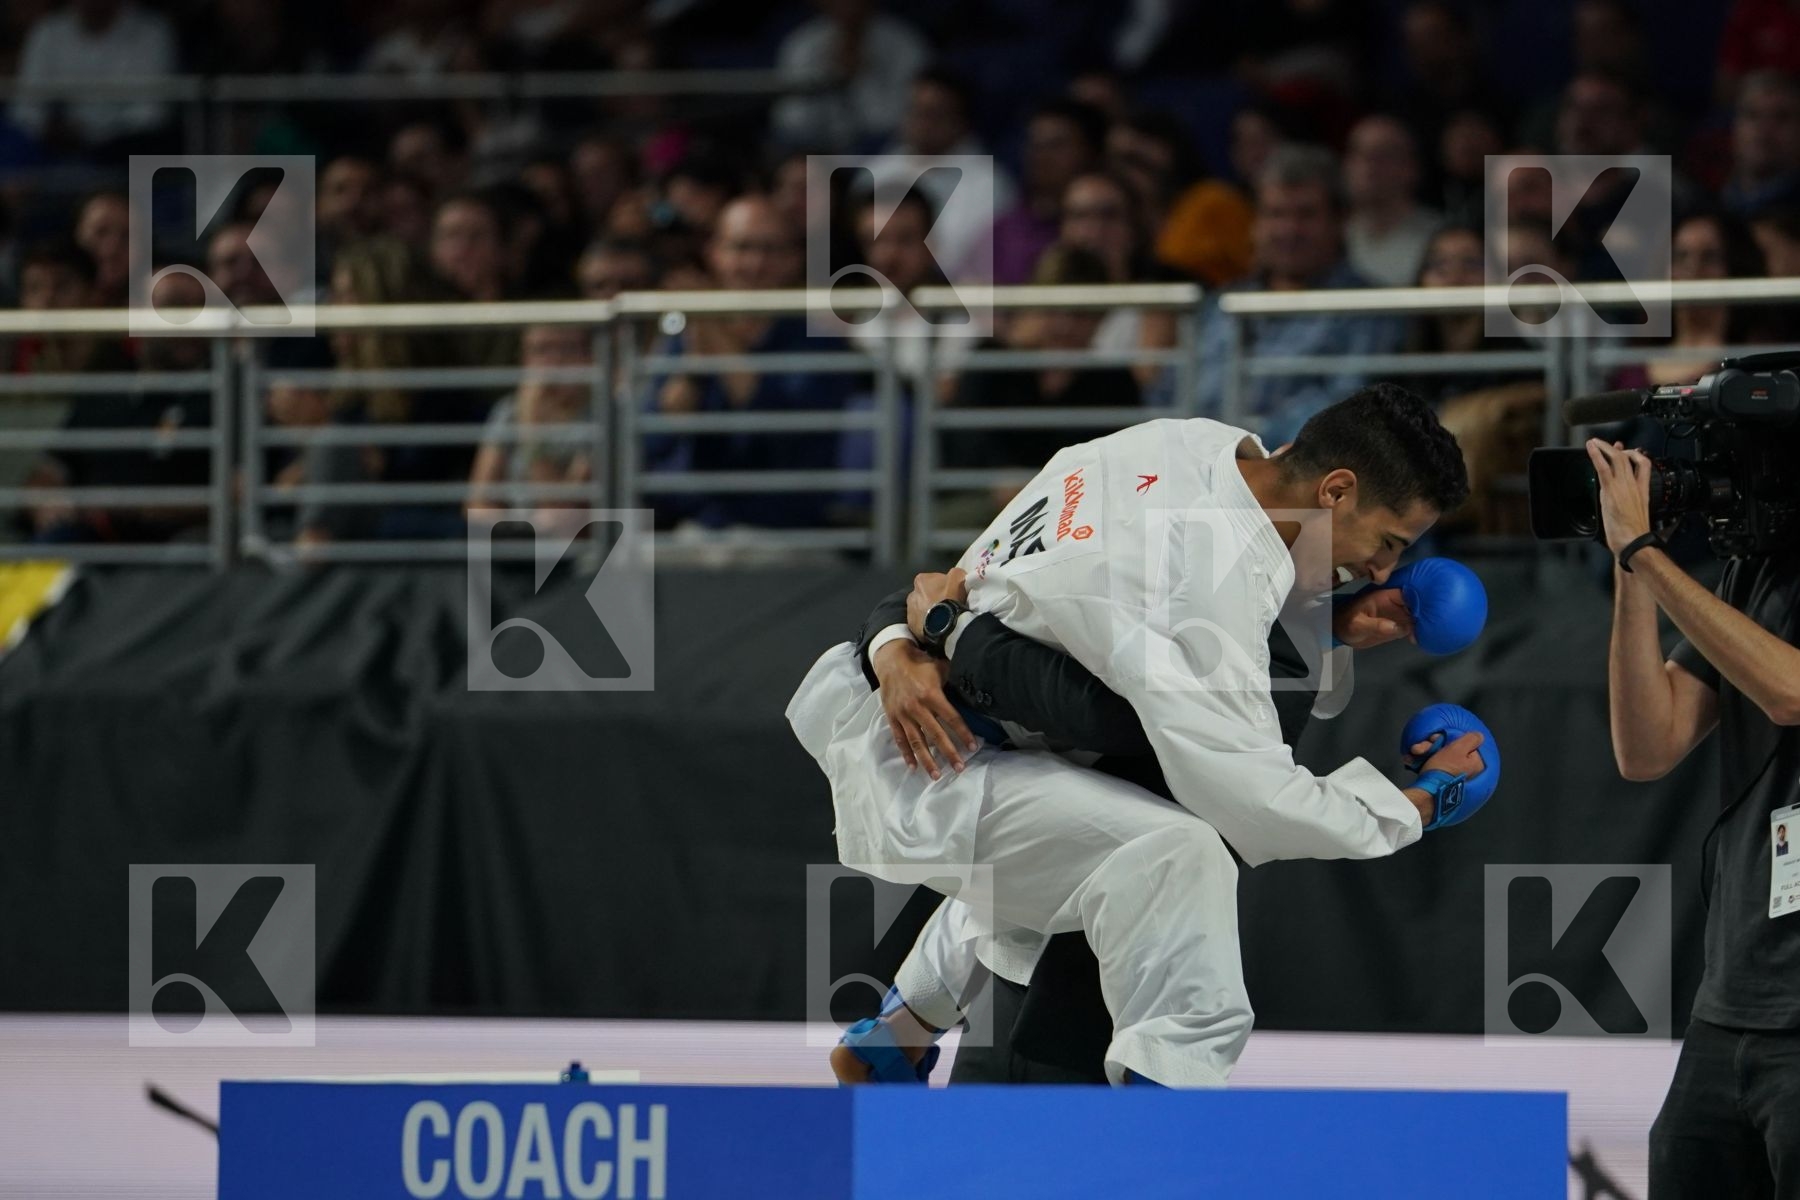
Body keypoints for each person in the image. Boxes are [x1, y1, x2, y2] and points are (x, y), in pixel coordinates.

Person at [788, 384, 1492, 1087]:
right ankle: (1167, 1106)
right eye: (1390, 543)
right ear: (1337, 490)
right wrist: (1418, 804)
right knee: (1181, 855)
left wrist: (1325, 622)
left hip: (926, 708)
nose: (1383, 571)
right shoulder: (1203, 586)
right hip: (934, 754)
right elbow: (1252, 797)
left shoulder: (1188, 442)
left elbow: (965, 584)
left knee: (1097, 833)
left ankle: (894, 1036)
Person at [1586, 436, 1800, 1197]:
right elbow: (1649, 743)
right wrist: (1628, 567)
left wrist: (1645, 550)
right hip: (1734, 1001)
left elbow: (1790, 692)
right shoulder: (1760, 572)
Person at [1196, 145, 1406, 444]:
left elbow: (1342, 411)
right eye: (1275, 214)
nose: (1289, 230)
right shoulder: (1220, 305)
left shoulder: (1369, 308)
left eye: (1306, 215)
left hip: (1293, 477)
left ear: (1340, 220)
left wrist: (1243, 456)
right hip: (1195, 472)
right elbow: (1171, 393)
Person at [1341, 114, 1441, 287]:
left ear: (1411, 166)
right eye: (1358, 153)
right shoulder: (1331, 233)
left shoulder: (1438, 236)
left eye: (1382, 155)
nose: (1367, 165)